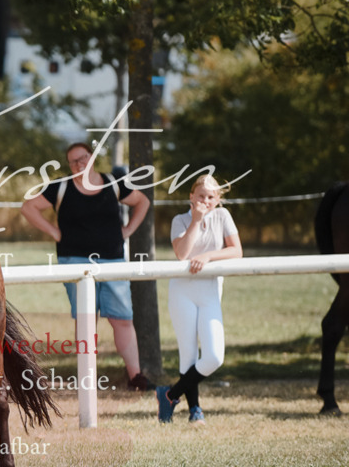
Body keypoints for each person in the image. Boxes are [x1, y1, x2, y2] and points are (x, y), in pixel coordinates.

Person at [20, 141, 154, 390]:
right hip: (75, 262)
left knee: (122, 319)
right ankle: (88, 379)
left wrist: (128, 230)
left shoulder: (113, 182)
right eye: (73, 161)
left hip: (113, 259)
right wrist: (55, 233)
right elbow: (28, 208)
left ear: (92, 158)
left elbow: (142, 202)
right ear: (69, 165)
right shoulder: (60, 187)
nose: (79, 164)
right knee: (86, 319)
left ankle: (136, 377)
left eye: (83, 158)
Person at [156, 175, 242, 424]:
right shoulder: (180, 220)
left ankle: (169, 394)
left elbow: (236, 251)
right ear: (191, 196)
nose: (205, 200)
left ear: (218, 200)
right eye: (201, 195)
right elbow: (182, 253)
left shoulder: (223, 217)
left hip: (210, 291)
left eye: (211, 196)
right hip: (182, 291)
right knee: (188, 354)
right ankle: (195, 411)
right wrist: (196, 221)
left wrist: (208, 256)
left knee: (214, 356)